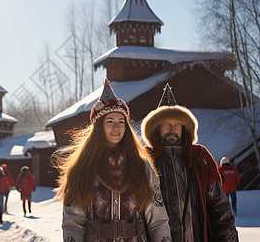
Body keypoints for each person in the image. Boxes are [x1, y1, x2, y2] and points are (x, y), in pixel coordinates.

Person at [54, 79, 172, 242]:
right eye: (110, 122)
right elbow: (73, 224)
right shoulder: (83, 169)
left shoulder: (141, 167)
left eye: (121, 122)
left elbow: (158, 221)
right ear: (99, 127)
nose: (116, 128)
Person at [141, 83, 238, 241]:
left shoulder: (200, 158)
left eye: (176, 124)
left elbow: (219, 205)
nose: (172, 128)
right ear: (157, 128)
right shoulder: (146, 160)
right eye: (167, 124)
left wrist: (228, 238)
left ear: (184, 128)